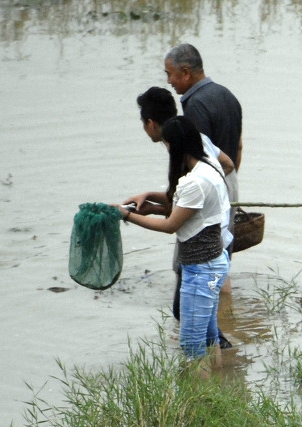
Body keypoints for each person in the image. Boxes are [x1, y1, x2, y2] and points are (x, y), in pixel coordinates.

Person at [116, 116, 230, 362]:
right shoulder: (209, 164)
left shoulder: (194, 182)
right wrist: (150, 202)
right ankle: (219, 389)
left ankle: (201, 399)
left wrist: (126, 215)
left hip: (201, 271)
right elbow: (187, 208)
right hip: (214, 262)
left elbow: (171, 225)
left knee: (191, 345)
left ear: (173, 145)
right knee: (210, 338)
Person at [164, 45, 242, 244]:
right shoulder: (227, 95)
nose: (169, 81)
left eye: (170, 74)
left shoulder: (196, 105)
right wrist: (227, 185)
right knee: (221, 252)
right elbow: (239, 146)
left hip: (208, 191)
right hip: (228, 180)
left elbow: (197, 157)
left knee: (196, 256)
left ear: (186, 73)